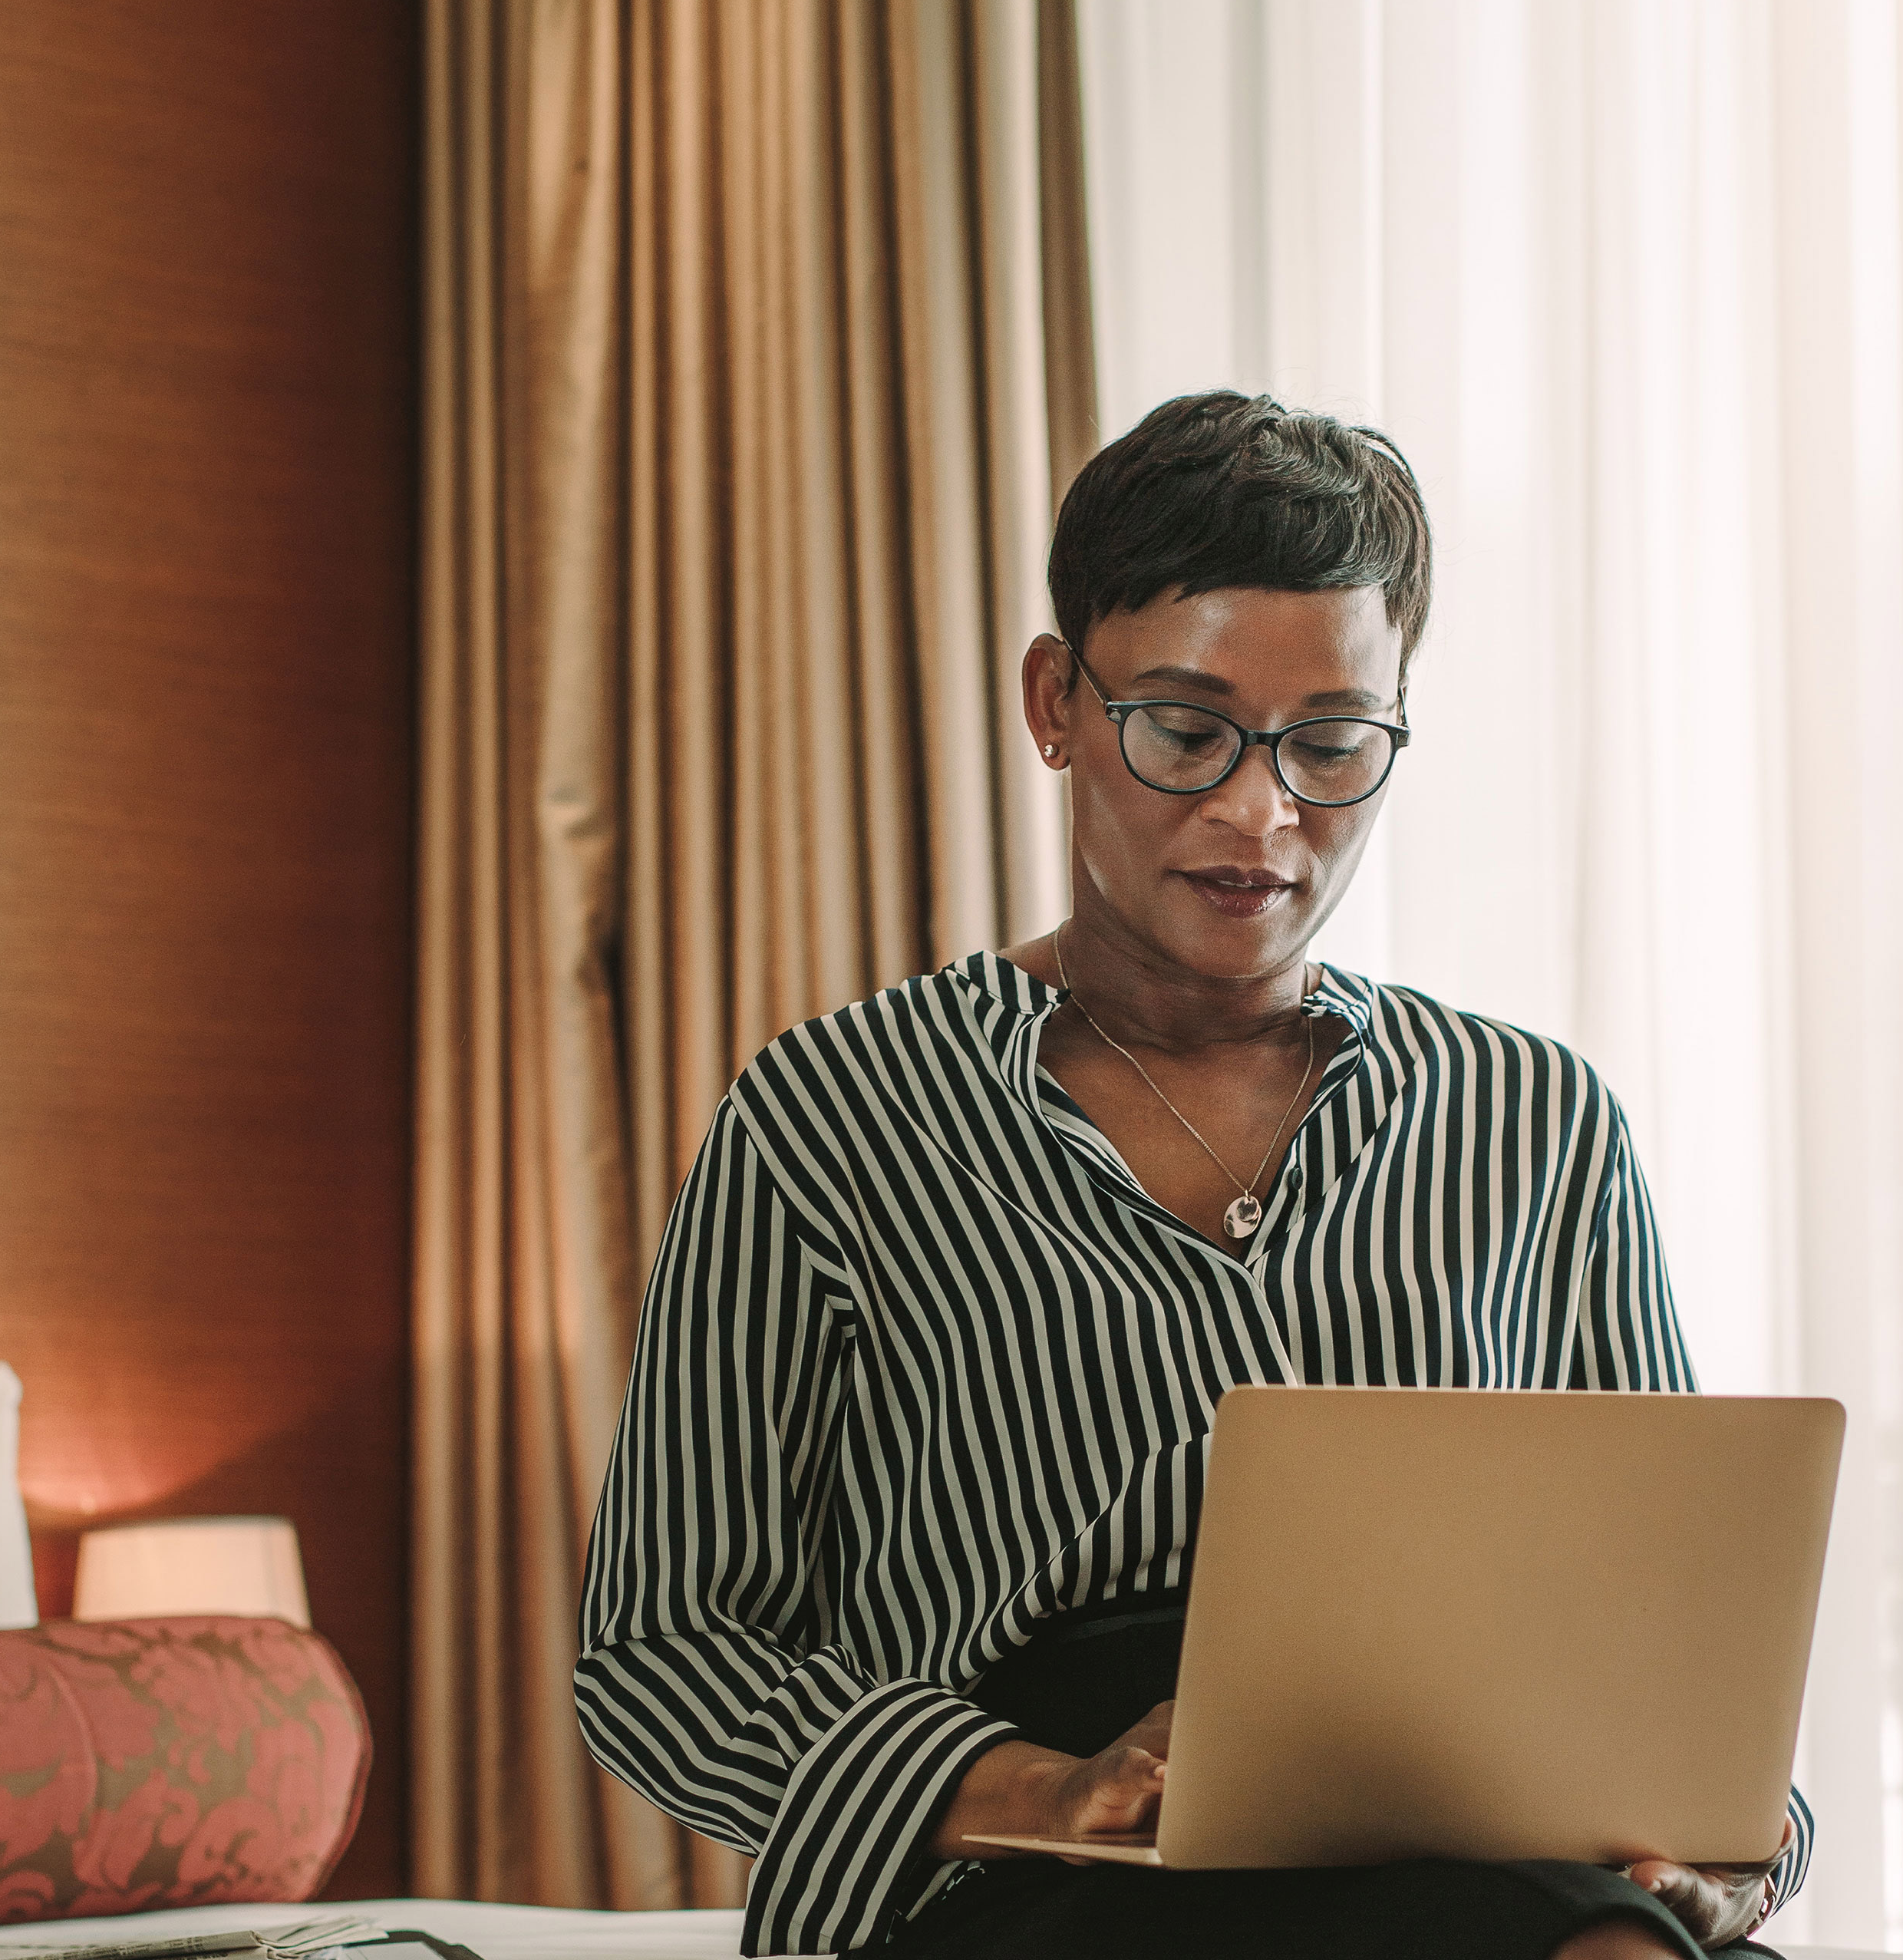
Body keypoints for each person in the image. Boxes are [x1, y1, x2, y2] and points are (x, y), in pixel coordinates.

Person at [576, 392, 1812, 1959]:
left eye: (1332, 742)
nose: (1261, 810)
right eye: (1185, 727)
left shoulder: (1538, 1120)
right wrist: (1036, 1781)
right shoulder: (828, 1118)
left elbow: (1689, 1638)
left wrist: (1724, 1850)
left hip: (1481, 1856)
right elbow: (661, 1651)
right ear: (1055, 702)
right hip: (1022, 1875)